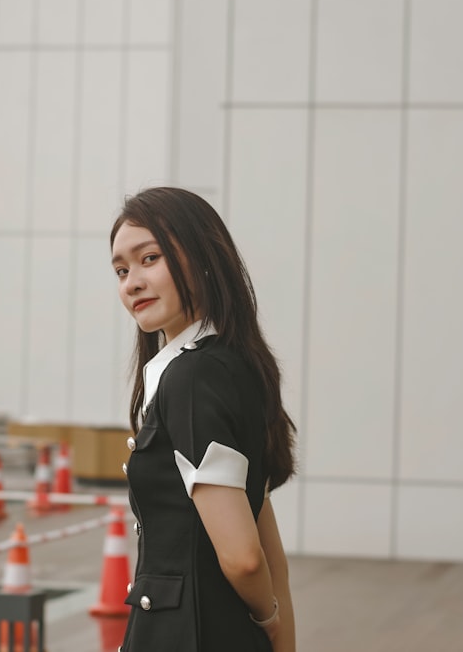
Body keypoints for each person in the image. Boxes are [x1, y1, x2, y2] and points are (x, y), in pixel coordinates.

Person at [110, 187, 297, 652]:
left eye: (149, 258)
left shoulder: (192, 377)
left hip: (189, 634)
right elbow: (262, 523)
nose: (132, 281)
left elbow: (245, 557)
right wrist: (280, 631)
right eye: (121, 270)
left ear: (203, 257)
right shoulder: (231, 364)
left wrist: (270, 619)